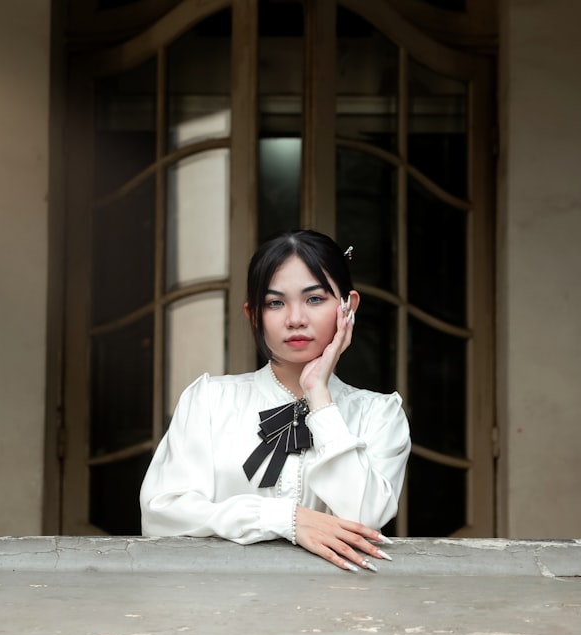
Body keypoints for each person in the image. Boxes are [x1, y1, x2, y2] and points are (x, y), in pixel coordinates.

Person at [139, 230, 411, 572]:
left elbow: (363, 516)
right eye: (275, 303)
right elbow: (161, 514)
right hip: (221, 610)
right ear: (254, 315)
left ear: (348, 307)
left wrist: (319, 396)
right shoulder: (209, 401)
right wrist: (285, 519)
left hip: (338, 611)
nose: (295, 318)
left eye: (314, 299)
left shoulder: (379, 415)